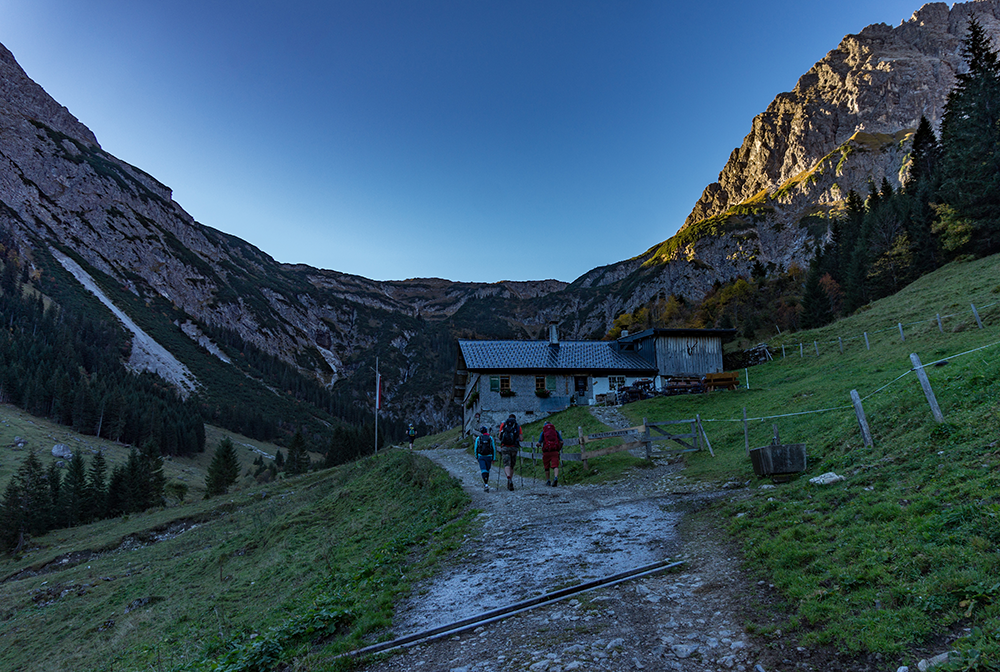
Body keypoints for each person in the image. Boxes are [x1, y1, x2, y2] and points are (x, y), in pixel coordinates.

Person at [497, 413, 522, 491]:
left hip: (505, 447)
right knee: (512, 465)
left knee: (506, 464)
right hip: (514, 448)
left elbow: (499, 436)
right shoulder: (518, 426)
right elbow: (521, 438)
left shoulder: (503, 424)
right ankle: (510, 480)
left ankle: (508, 478)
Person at [536, 421, 564, 486]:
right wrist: (559, 448)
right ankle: (556, 477)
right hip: (555, 451)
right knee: (555, 465)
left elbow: (539, 443)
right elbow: (562, 442)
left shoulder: (543, 433)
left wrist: (538, 445)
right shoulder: (556, 432)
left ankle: (548, 481)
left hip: (546, 452)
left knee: (546, 467)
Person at [474, 426, 496, 492]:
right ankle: (486, 482)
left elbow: (476, 448)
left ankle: (486, 484)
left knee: (483, 470)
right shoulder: (490, 438)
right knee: (487, 470)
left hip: (481, 456)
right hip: (489, 456)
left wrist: (476, 456)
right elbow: (494, 448)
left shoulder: (478, 438)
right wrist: (493, 458)